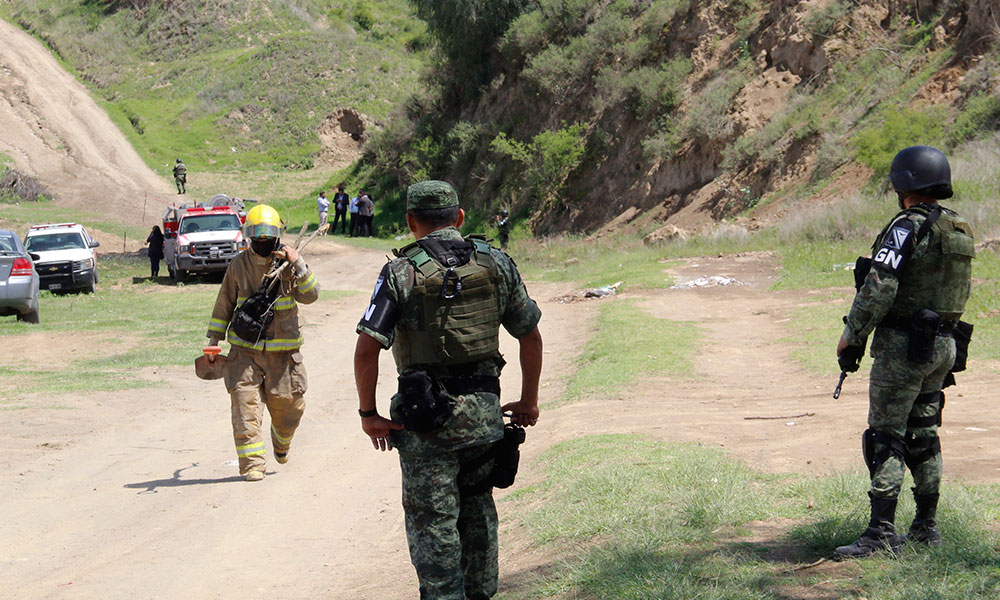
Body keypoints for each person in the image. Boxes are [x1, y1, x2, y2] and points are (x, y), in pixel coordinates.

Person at [354, 180, 543, 599]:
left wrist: (369, 415)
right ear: (459, 218)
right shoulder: (496, 263)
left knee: (432, 521)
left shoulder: (400, 272)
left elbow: (367, 350)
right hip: (484, 420)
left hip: (426, 426)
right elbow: (529, 337)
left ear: (410, 222)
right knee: (477, 508)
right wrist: (528, 400)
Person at [834, 146, 974, 559]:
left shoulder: (906, 226)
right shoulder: (959, 227)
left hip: (903, 350)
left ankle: (879, 533)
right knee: (925, 436)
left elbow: (878, 289)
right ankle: (926, 529)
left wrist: (851, 336)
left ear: (904, 183)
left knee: (886, 436)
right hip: (943, 346)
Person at [206, 204, 320, 482]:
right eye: (256, 235)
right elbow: (224, 305)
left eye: (267, 235)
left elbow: (311, 295)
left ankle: (282, 442)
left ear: (277, 235)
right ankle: (252, 465)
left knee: (289, 409)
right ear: (248, 236)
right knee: (245, 408)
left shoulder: (289, 264)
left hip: (284, 356)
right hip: (244, 352)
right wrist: (213, 343)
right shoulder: (238, 265)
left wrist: (298, 264)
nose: (262, 240)